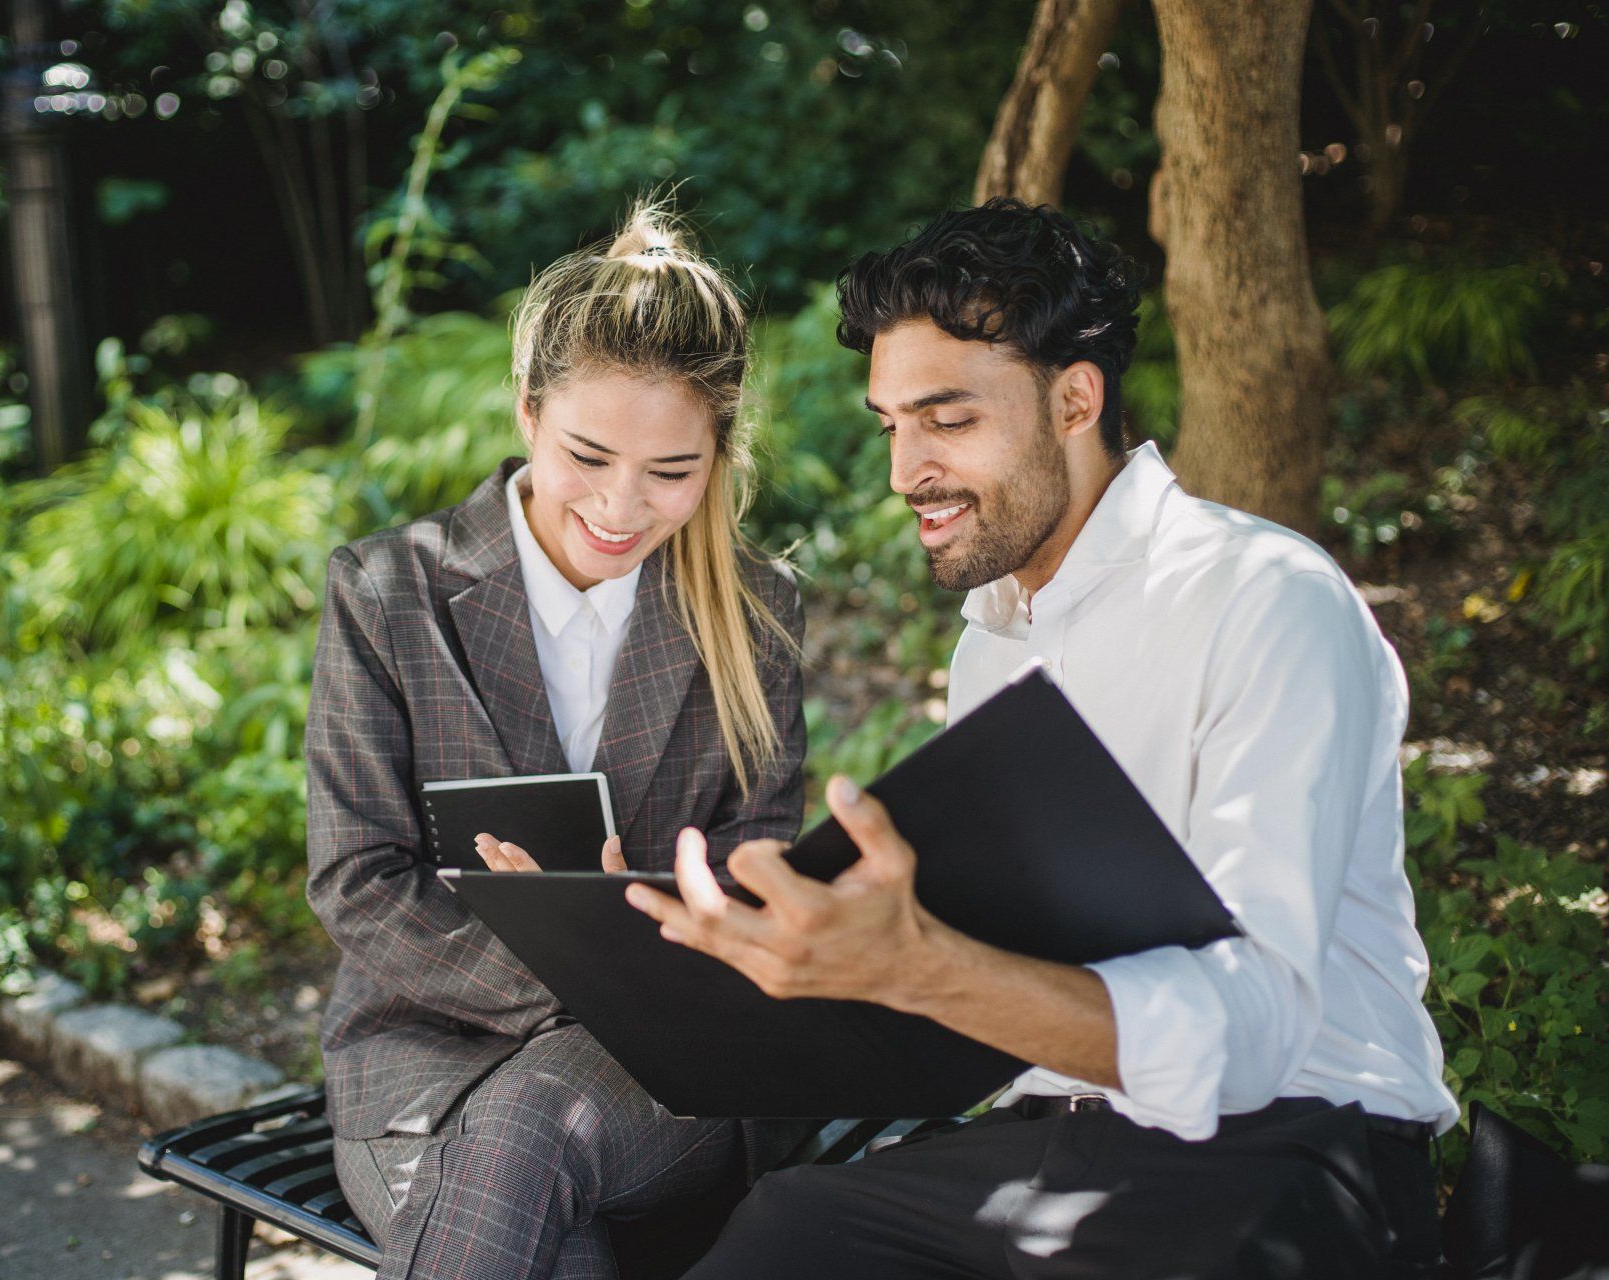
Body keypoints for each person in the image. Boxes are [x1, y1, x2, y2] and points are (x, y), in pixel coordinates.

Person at [628, 199, 1459, 1279]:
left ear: (1076, 397)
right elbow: (990, 974)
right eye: (892, 424)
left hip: (1293, 1144)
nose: (903, 471)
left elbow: (1252, 1034)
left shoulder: (1268, 599)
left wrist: (921, 965)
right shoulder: (996, 645)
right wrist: (780, 948)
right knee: (782, 1233)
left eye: (948, 419)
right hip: (1045, 1142)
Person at [303, 202, 807, 1280]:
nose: (624, 506)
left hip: (658, 1066)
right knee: (559, 1243)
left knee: (533, 1126)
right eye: (589, 454)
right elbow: (357, 877)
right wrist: (582, 968)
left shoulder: (755, 611)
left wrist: (641, 950)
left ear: (718, 455)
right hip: (422, 1056)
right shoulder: (390, 592)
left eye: (673, 471)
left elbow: (757, 860)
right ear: (528, 412)